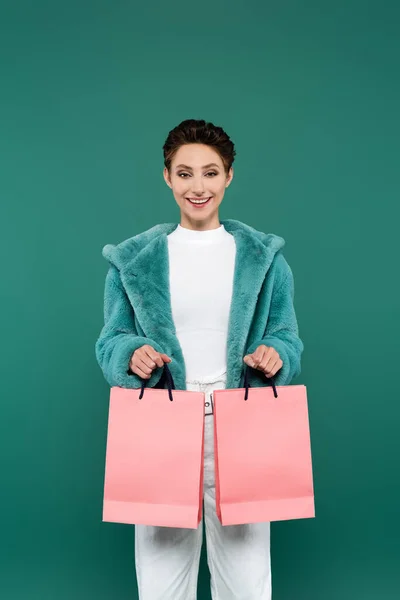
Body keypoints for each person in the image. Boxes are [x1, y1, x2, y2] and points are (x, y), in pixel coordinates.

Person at [95, 118, 304, 600]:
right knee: (161, 584)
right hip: (164, 425)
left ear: (230, 176)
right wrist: (131, 353)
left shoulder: (265, 258)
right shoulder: (134, 260)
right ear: (166, 176)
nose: (198, 186)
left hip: (243, 424)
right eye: (184, 173)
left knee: (248, 581)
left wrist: (278, 354)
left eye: (210, 173)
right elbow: (111, 340)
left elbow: (286, 335)